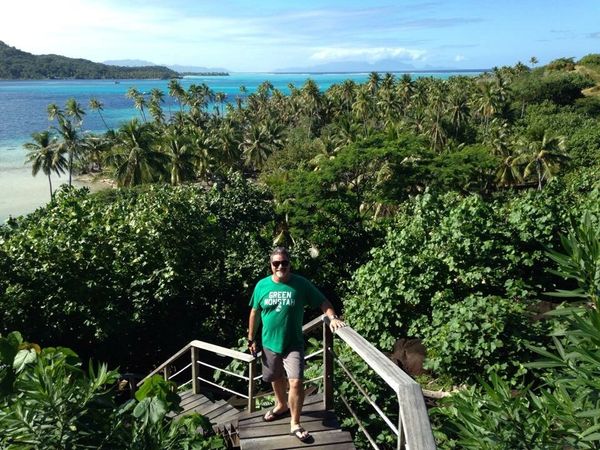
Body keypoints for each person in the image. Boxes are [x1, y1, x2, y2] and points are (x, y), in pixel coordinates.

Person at [247, 247, 346, 442]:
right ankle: (281, 405)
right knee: (275, 377)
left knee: (296, 381)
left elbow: (322, 301)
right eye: (276, 263)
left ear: (289, 264)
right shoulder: (261, 286)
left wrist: (332, 317)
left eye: (284, 262)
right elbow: (255, 313)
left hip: (293, 343)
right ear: (271, 265)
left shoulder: (300, 284)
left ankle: (295, 423)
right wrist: (251, 339)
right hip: (269, 342)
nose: (280, 266)